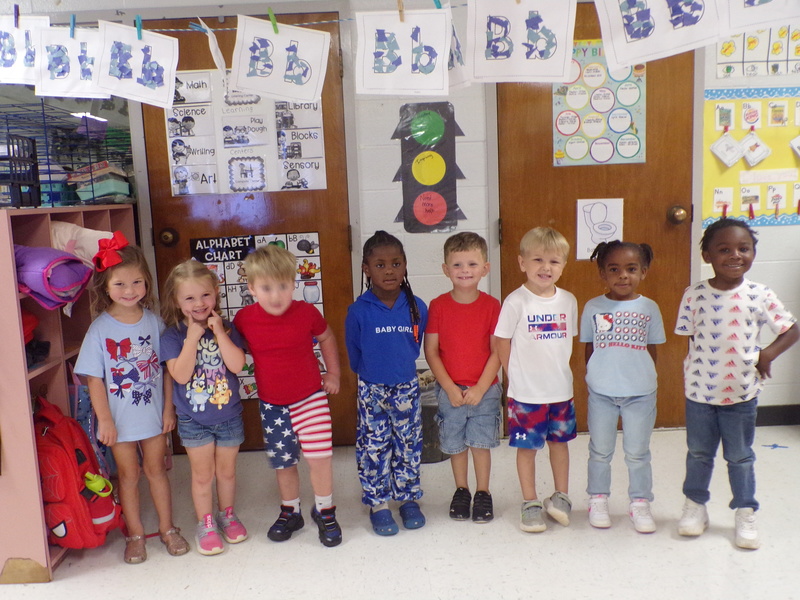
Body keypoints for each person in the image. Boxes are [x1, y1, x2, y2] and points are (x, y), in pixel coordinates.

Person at [675, 218, 798, 550]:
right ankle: (695, 507)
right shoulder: (695, 294)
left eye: (744, 249)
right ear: (707, 254)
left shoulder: (759, 294)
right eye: (724, 249)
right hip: (699, 394)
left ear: (753, 253)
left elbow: (791, 329)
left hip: (742, 394)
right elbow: (688, 340)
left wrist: (767, 354)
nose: (735, 255)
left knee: (740, 456)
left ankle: (745, 511)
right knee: (699, 453)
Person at [75, 233, 188, 564]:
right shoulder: (99, 329)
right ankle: (136, 534)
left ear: (147, 283)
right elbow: (93, 379)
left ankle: (168, 528)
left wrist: (168, 409)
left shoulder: (154, 323)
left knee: (156, 470)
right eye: (121, 284)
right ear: (106, 286)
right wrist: (105, 420)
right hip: (118, 420)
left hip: (152, 416)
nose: (130, 290)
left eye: (137, 282)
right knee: (127, 475)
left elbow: (167, 371)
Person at [233, 245, 342, 547]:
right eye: (267, 288)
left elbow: (327, 337)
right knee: (284, 463)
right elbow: (233, 353)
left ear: (294, 284)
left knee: (319, 459)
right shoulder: (244, 319)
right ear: (252, 288)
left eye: (283, 286)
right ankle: (290, 511)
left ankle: (325, 510)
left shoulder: (306, 312)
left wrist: (333, 374)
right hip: (272, 406)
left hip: (310, 399)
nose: (276, 295)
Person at [160, 260, 248, 556]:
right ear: (176, 300)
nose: (199, 303)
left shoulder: (229, 328)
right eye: (189, 298)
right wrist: (192, 339)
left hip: (229, 416)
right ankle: (206, 523)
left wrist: (220, 333)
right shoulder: (172, 336)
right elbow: (181, 375)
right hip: (194, 420)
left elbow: (238, 364)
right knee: (201, 475)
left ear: (216, 294)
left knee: (226, 473)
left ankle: (228, 515)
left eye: (205, 295)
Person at [494, 227, 578, 533]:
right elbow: (501, 341)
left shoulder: (568, 300)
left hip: (560, 392)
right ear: (522, 263)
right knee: (527, 449)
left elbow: (566, 343)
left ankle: (561, 497)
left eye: (554, 261)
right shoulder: (516, 301)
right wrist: (512, 376)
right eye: (538, 259)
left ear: (563, 266)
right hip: (526, 394)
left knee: (560, 445)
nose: (546, 267)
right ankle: (530, 502)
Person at [345, 231, 428, 536]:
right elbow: (353, 353)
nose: (389, 270)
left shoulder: (417, 306)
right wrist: (371, 375)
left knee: (407, 444)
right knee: (374, 446)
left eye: (396, 263)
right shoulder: (359, 311)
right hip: (371, 389)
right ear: (366, 269)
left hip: (406, 386)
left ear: (405, 265)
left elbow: (415, 344)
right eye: (380, 265)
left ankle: (406, 498)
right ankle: (378, 503)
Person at [580, 241, 666, 533]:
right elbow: (589, 348)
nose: (623, 276)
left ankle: (640, 502)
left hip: (640, 394)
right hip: (601, 393)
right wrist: (594, 376)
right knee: (600, 450)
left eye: (631, 269)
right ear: (603, 273)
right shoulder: (593, 306)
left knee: (637, 452)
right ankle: (598, 498)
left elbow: (652, 350)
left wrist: (641, 377)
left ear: (643, 271)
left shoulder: (649, 308)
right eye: (614, 269)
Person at [423, 232, 501, 523]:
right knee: (455, 444)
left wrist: (481, 387)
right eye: (457, 265)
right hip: (450, 391)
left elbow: (497, 351)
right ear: (446, 270)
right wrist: (449, 387)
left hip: (485, 391)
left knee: (480, 443)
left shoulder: (493, 306)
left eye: (471, 264)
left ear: (485, 268)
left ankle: (483, 492)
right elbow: (431, 351)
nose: (464, 270)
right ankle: (462, 490)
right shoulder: (439, 306)